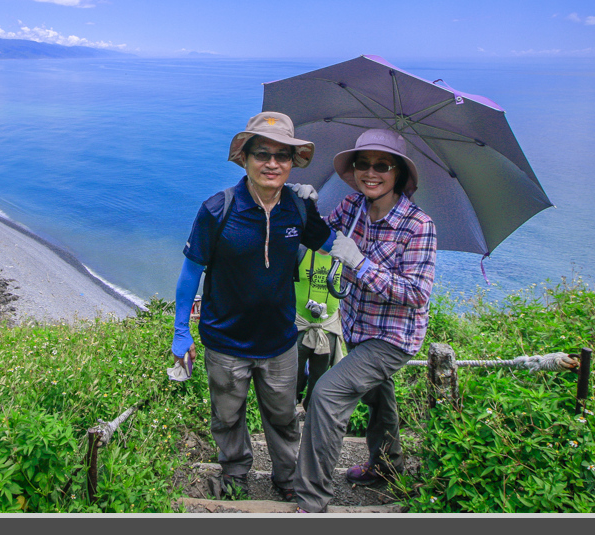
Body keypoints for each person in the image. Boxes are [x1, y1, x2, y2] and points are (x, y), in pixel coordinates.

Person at [172, 112, 331, 502]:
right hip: (225, 341)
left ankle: (287, 478)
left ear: (293, 163)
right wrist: (180, 331)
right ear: (245, 158)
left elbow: (328, 244)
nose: (272, 163)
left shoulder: (297, 207)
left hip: (280, 341)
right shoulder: (218, 209)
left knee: (283, 418)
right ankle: (235, 473)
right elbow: (191, 271)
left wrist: (322, 206)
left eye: (283, 156)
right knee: (227, 417)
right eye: (263, 154)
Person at [293, 128, 436, 513]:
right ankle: (386, 467)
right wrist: (306, 207)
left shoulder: (418, 225)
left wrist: (360, 262)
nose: (370, 172)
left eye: (382, 166)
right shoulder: (354, 206)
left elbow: (416, 293)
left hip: (392, 337)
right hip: (358, 324)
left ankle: (311, 498)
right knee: (378, 397)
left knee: (326, 394)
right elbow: (322, 236)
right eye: (362, 163)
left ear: (399, 174)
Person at [293, 247, 343, 412]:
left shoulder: (343, 257)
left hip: (328, 327)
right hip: (300, 324)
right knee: (293, 374)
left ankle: (312, 410)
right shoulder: (300, 251)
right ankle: (290, 406)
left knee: (321, 378)